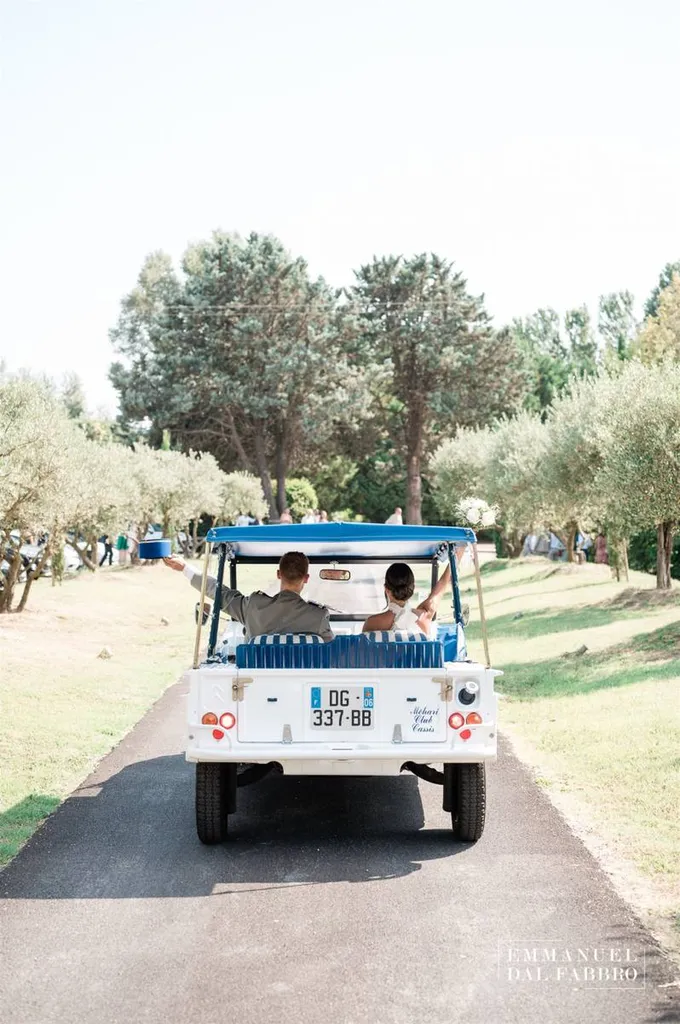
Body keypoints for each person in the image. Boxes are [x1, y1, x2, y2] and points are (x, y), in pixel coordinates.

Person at [164, 550, 333, 641]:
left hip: (255, 685)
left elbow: (219, 592)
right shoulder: (318, 616)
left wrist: (185, 568)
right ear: (306, 578)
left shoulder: (254, 606)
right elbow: (332, 653)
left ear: (279, 574)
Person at [362, 562, 453, 636]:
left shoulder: (371, 624)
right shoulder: (425, 616)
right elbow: (443, 582)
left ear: (386, 589)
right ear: (413, 587)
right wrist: (458, 552)